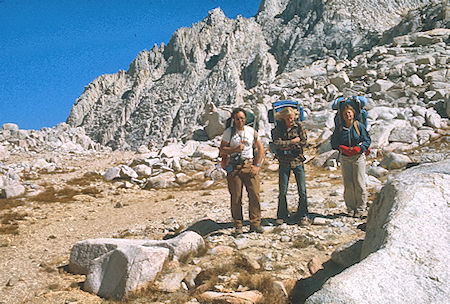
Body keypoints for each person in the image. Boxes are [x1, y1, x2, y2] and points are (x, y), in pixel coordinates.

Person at [220, 108, 265, 234]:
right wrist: (234, 149)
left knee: (254, 195)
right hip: (234, 168)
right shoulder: (228, 132)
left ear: (246, 119)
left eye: (242, 118)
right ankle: (238, 224)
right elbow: (222, 150)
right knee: (236, 197)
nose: (240, 121)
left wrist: (257, 166)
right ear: (234, 120)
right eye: (237, 119)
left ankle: (255, 223)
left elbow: (261, 149)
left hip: (248, 165)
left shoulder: (251, 131)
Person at [331, 104, 371, 218]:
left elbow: (367, 140)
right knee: (348, 184)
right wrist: (341, 148)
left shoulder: (359, 126)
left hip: (358, 157)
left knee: (359, 182)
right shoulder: (339, 128)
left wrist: (360, 148)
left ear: (353, 114)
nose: (347, 115)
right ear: (342, 116)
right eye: (345, 113)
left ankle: (361, 208)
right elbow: (334, 143)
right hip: (345, 158)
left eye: (349, 112)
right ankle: (351, 208)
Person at [272, 107, 309, 226]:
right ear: (283, 118)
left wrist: (286, 146)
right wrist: (293, 142)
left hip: (297, 160)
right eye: (288, 118)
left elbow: (304, 142)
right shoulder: (278, 129)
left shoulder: (299, 127)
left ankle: (303, 214)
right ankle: (282, 215)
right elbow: (277, 144)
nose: (290, 120)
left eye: (292, 118)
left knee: (302, 190)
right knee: (283, 190)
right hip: (284, 161)